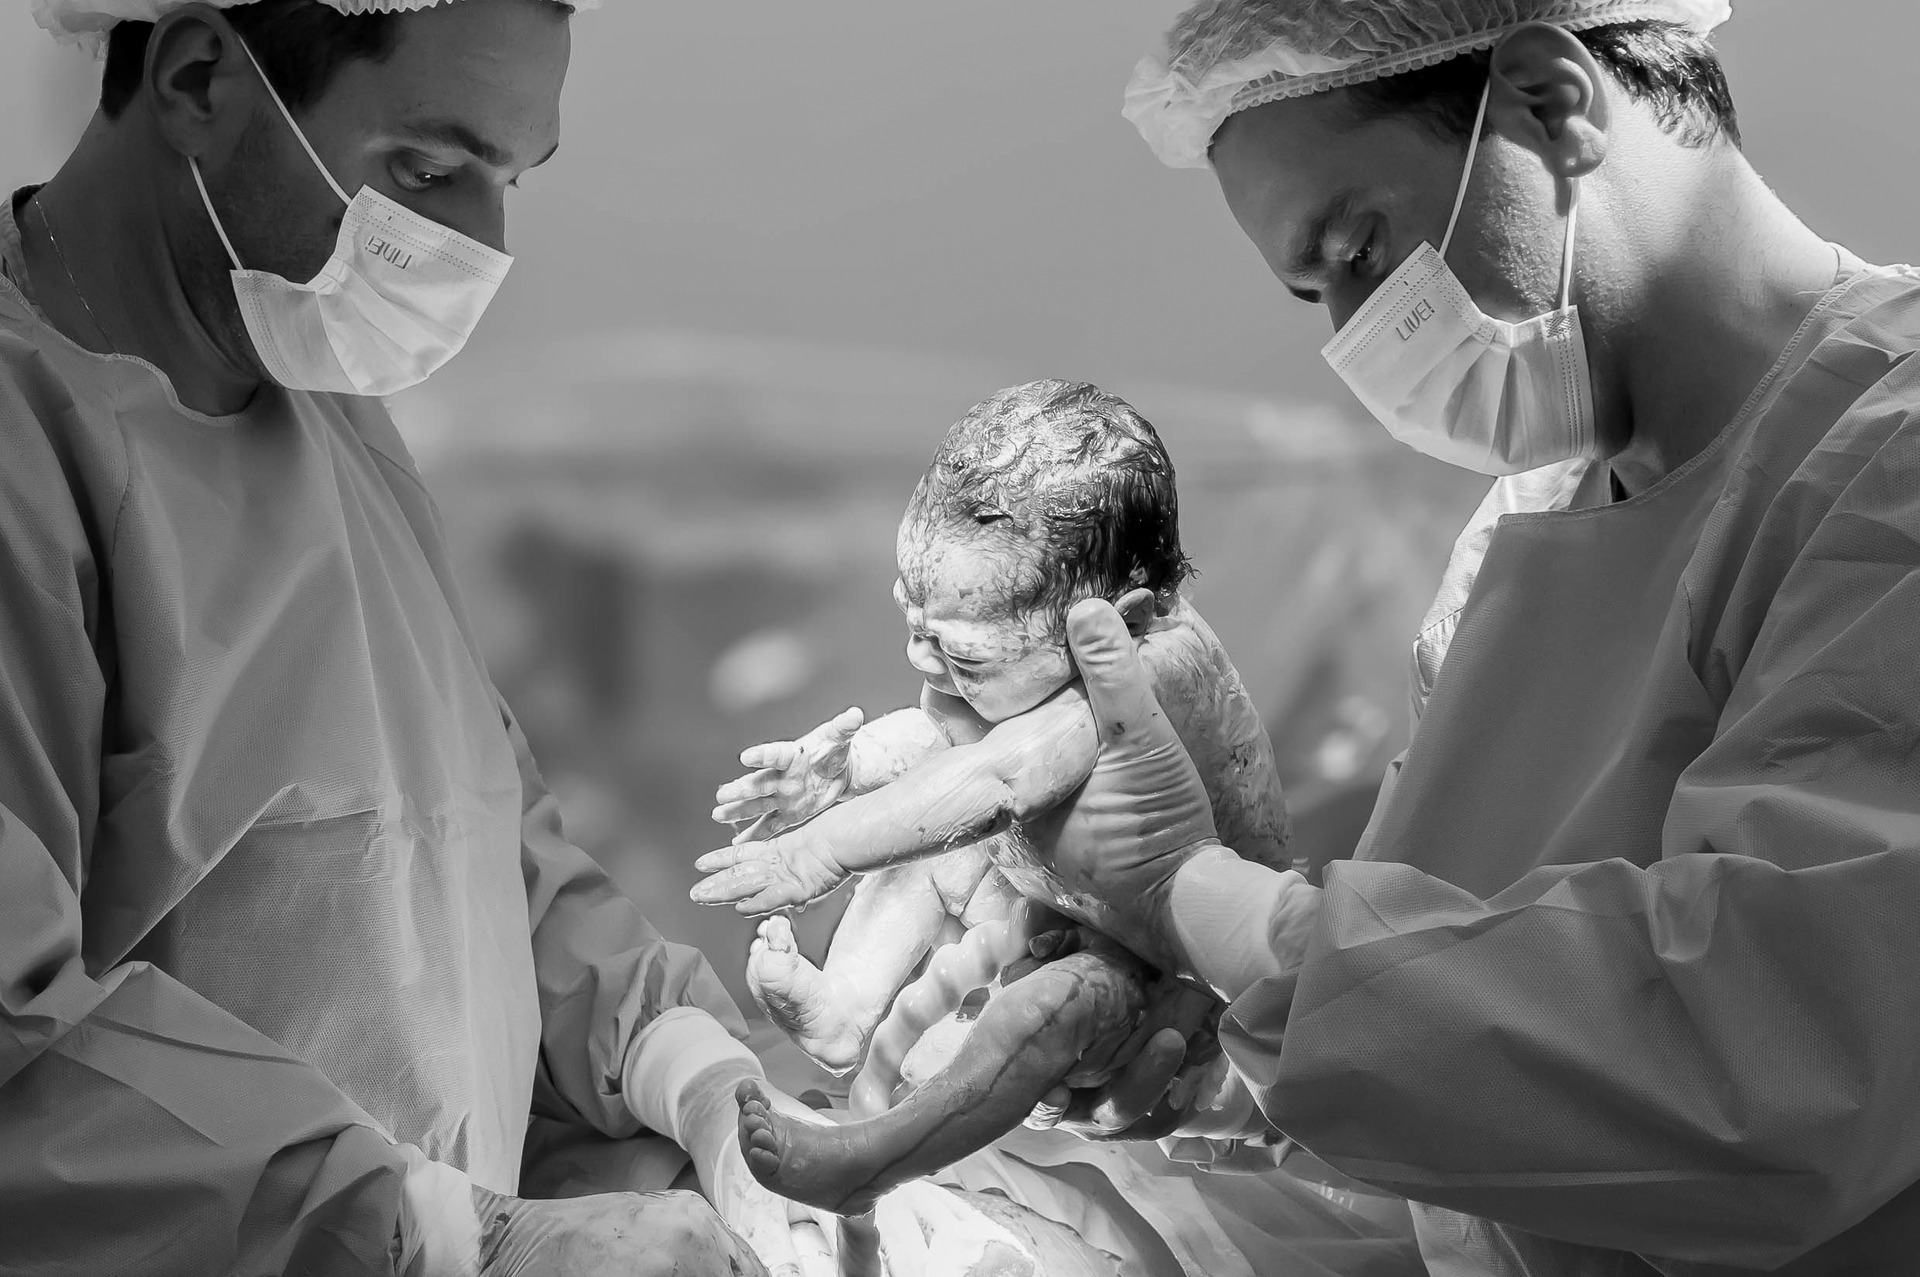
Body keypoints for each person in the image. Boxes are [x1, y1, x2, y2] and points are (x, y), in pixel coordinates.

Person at [1009, 1, 1920, 1273]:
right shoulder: (1519, 537)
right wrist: (1233, 1055)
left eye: (1362, 248)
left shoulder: (1890, 461)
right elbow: (1485, 1063)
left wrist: (1197, 895)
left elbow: (1778, 1073)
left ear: (1552, 102)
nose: (1355, 341)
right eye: (1313, 292)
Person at [0, 2, 839, 1272]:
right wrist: (447, 1234)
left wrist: (691, 1076)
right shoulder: (28, 453)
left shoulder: (321, 406)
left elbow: (476, 852)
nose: (481, 244)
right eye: (430, 172)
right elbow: (19, 1051)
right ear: (199, 75)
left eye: (508, 180)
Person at [696, 378, 1288, 1074]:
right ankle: (849, 1005)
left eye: (961, 652)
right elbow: (938, 753)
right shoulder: (1018, 655)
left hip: (1180, 970)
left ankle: (952, 1060)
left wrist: (817, 852)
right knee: (920, 834)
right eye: (913, 621)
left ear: (1116, 621)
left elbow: (999, 779)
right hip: (1066, 902)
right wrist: (845, 769)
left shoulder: (1143, 669)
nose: (920, 657)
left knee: (1049, 1000)